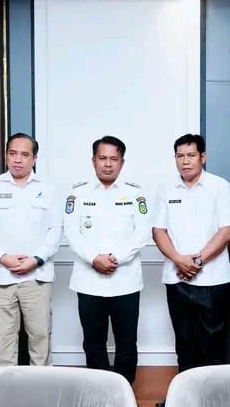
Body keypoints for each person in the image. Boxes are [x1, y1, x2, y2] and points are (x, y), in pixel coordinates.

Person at [0, 133, 62, 367]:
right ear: (6, 156)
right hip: (1, 276)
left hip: (37, 276)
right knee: (2, 339)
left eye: (24, 154)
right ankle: (5, 387)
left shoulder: (48, 189)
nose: (18, 159)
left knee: (40, 337)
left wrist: (36, 259)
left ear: (34, 158)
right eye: (13, 153)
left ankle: (42, 387)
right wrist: (3, 258)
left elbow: (56, 229)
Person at [64, 135, 151, 384]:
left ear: (122, 162)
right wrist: (94, 258)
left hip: (125, 281)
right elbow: (71, 232)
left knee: (127, 342)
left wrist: (115, 259)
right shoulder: (77, 193)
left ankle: (124, 390)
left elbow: (142, 232)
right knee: (93, 342)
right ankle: (100, 391)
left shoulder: (135, 194)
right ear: (93, 161)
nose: (108, 164)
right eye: (102, 158)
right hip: (88, 282)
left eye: (114, 159)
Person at [153, 134, 230, 378]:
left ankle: (213, 394)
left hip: (214, 279)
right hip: (176, 278)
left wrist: (197, 261)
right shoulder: (166, 188)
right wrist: (179, 260)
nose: (185, 161)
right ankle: (185, 393)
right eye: (180, 156)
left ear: (203, 157)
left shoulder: (219, 186)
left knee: (214, 343)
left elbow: (227, 230)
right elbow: (158, 231)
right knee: (184, 341)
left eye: (191, 155)